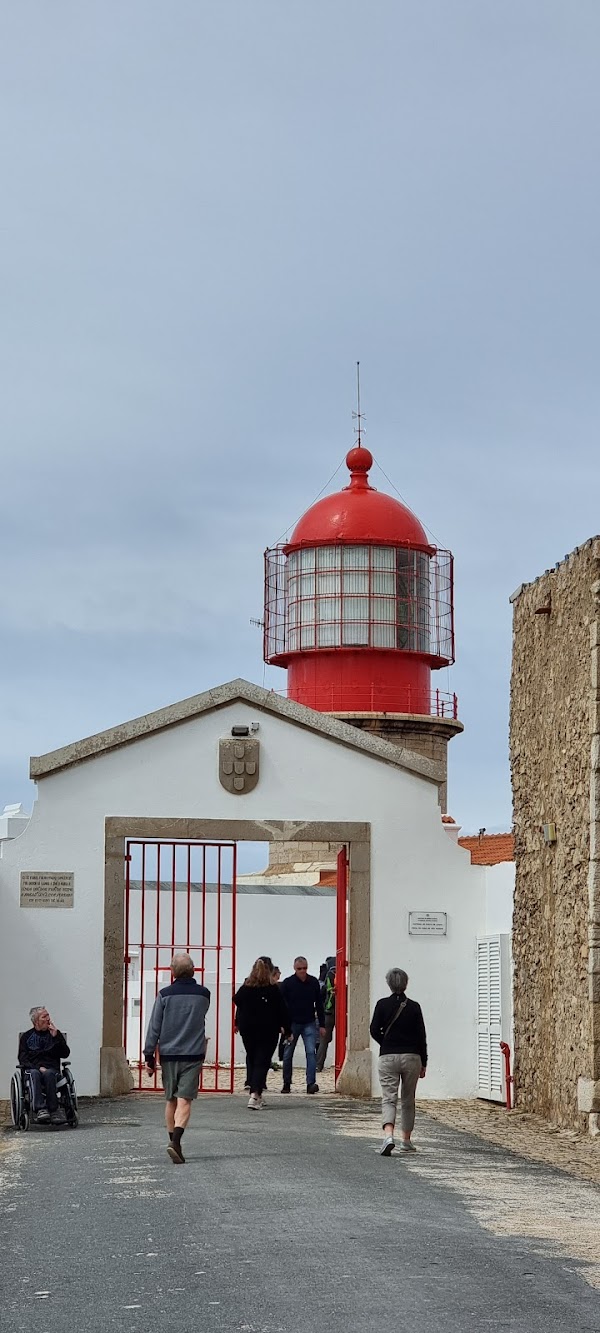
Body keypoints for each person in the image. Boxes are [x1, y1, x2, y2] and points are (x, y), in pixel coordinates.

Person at [144, 952, 210, 1165]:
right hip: (193, 1053)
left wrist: (148, 1055)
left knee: (171, 1099)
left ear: (172, 972)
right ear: (193, 970)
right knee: (185, 1099)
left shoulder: (164, 995)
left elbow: (155, 1026)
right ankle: (177, 1142)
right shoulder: (203, 994)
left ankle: (173, 1140)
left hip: (169, 1053)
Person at [369, 968, 427, 1156]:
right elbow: (421, 1036)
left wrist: (385, 1042)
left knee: (389, 1098)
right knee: (408, 1099)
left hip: (388, 1056)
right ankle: (407, 1140)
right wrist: (424, 1061)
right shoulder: (414, 1006)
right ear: (406, 983)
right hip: (412, 1057)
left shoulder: (382, 1004)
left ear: (388, 983)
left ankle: (388, 1136)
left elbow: (373, 1029)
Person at [234, 958, 291, 1108]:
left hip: (248, 1028)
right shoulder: (272, 989)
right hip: (268, 1029)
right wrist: (287, 1029)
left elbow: (237, 1000)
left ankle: (256, 1092)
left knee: (253, 1058)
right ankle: (255, 1094)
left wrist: (240, 1020)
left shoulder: (246, 988)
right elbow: (282, 1011)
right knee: (262, 1061)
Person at [281, 956, 326, 1094]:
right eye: (299, 969)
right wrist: (283, 1024)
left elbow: (319, 1004)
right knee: (288, 1054)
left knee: (310, 1053)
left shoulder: (313, 982)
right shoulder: (288, 983)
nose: (302, 971)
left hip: (309, 1022)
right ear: (294, 968)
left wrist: (322, 1025)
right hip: (292, 1023)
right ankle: (287, 1083)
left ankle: (311, 1083)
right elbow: (282, 1006)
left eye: (304, 968)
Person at [18, 1006, 70, 1125]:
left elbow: (65, 1054)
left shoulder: (55, 1034)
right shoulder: (26, 1037)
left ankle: (53, 1110)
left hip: (52, 1070)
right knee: (34, 1073)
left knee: (49, 1073)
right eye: (44, 1016)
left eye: (48, 1016)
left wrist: (56, 1037)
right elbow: (23, 1059)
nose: (48, 1019)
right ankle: (40, 1109)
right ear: (36, 1021)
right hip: (33, 1070)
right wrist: (38, 1068)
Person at [316, 955, 336, 1074]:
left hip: (328, 1011)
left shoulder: (327, 975)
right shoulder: (344, 974)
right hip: (342, 1011)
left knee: (323, 1040)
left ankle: (319, 1065)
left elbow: (321, 994)